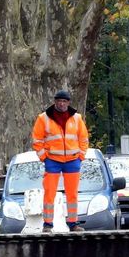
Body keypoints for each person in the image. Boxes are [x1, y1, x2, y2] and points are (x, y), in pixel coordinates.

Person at [31, 88, 89, 232]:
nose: (62, 104)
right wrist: (44, 157)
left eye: (64, 101)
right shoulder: (43, 118)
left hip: (72, 160)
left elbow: (84, 138)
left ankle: (73, 223)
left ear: (68, 103)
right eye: (59, 101)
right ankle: (48, 224)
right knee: (49, 192)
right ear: (55, 102)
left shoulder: (77, 118)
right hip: (53, 161)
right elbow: (37, 139)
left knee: (72, 193)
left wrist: (81, 155)